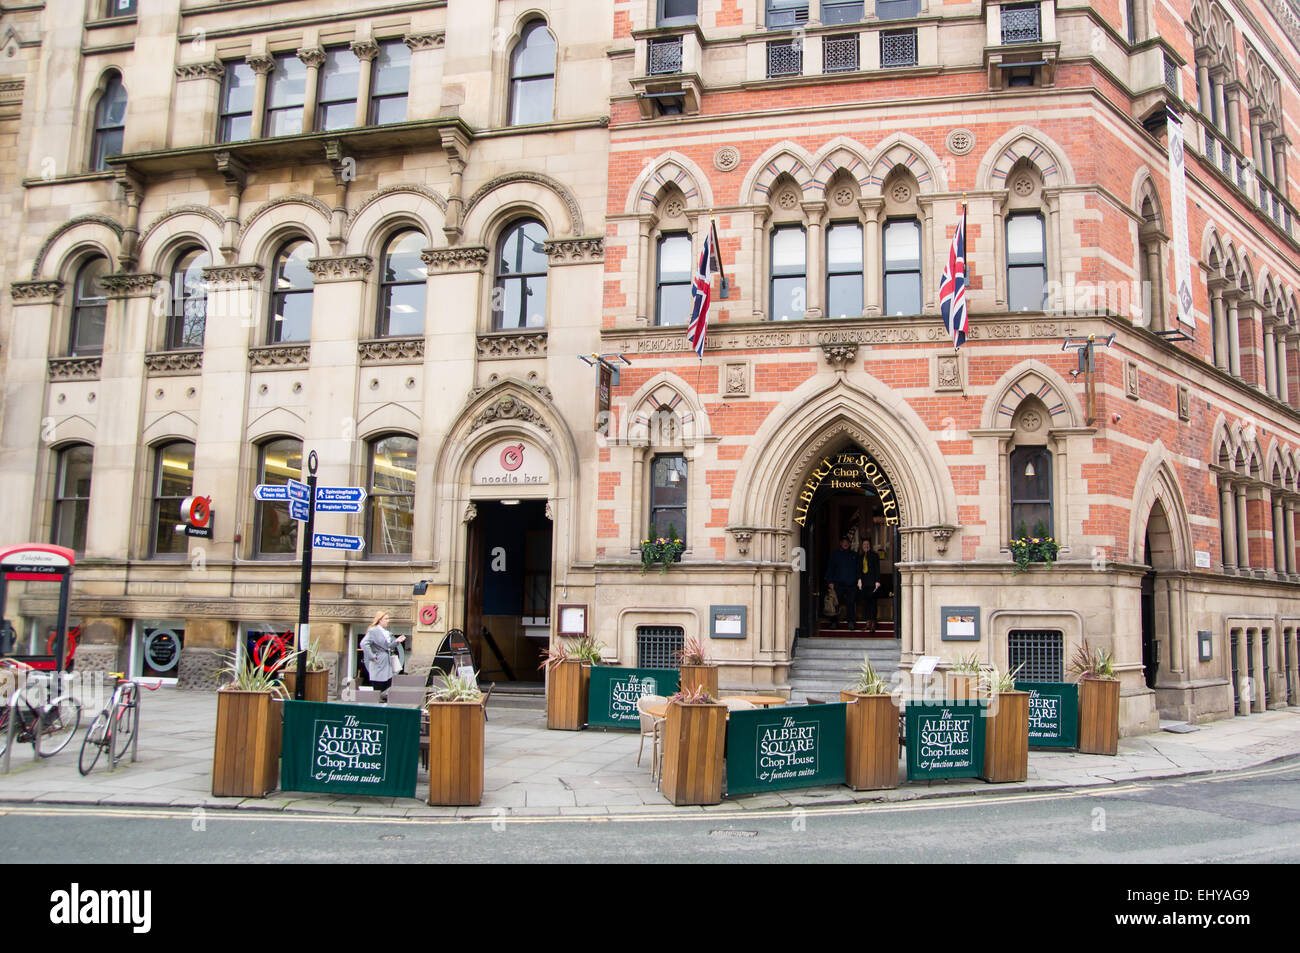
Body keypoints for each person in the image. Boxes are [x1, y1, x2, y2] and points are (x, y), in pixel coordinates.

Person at [359, 610, 405, 693]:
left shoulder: (385, 632)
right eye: (386, 619)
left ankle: (384, 701)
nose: (388, 621)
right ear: (380, 620)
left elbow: (388, 646)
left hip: (387, 663)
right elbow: (363, 643)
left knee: (387, 685)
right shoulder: (373, 631)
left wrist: (397, 641)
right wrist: (372, 656)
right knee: (378, 686)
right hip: (379, 662)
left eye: (388, 619)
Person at [825, 536, 859, 631]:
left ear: (850, 543)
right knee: (836, 603)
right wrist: (830, 581)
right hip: (838, 584)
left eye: (847, 542)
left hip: (851, 584)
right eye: (843, 542)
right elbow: (830, 569)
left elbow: (858, 569)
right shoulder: (835, 555)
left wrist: (858, 580)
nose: (845, 543)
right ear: (841, 543)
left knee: (851, 603)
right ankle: (834, 622)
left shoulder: (854, 555)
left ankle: (851, 622)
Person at [858, 536, 882, 634]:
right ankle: (867, 622)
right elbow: (858, 570)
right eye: (864, 545)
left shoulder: (874, 555)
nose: (866, 546)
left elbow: (877, 569)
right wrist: (859, 580)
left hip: (872, 582)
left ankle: (873, 622)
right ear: (862, 546)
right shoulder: (860, 556)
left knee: (873, 603)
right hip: (864, 583)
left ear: (870, 546)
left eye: (867, 544)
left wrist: (877, 581)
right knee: (866, 603)